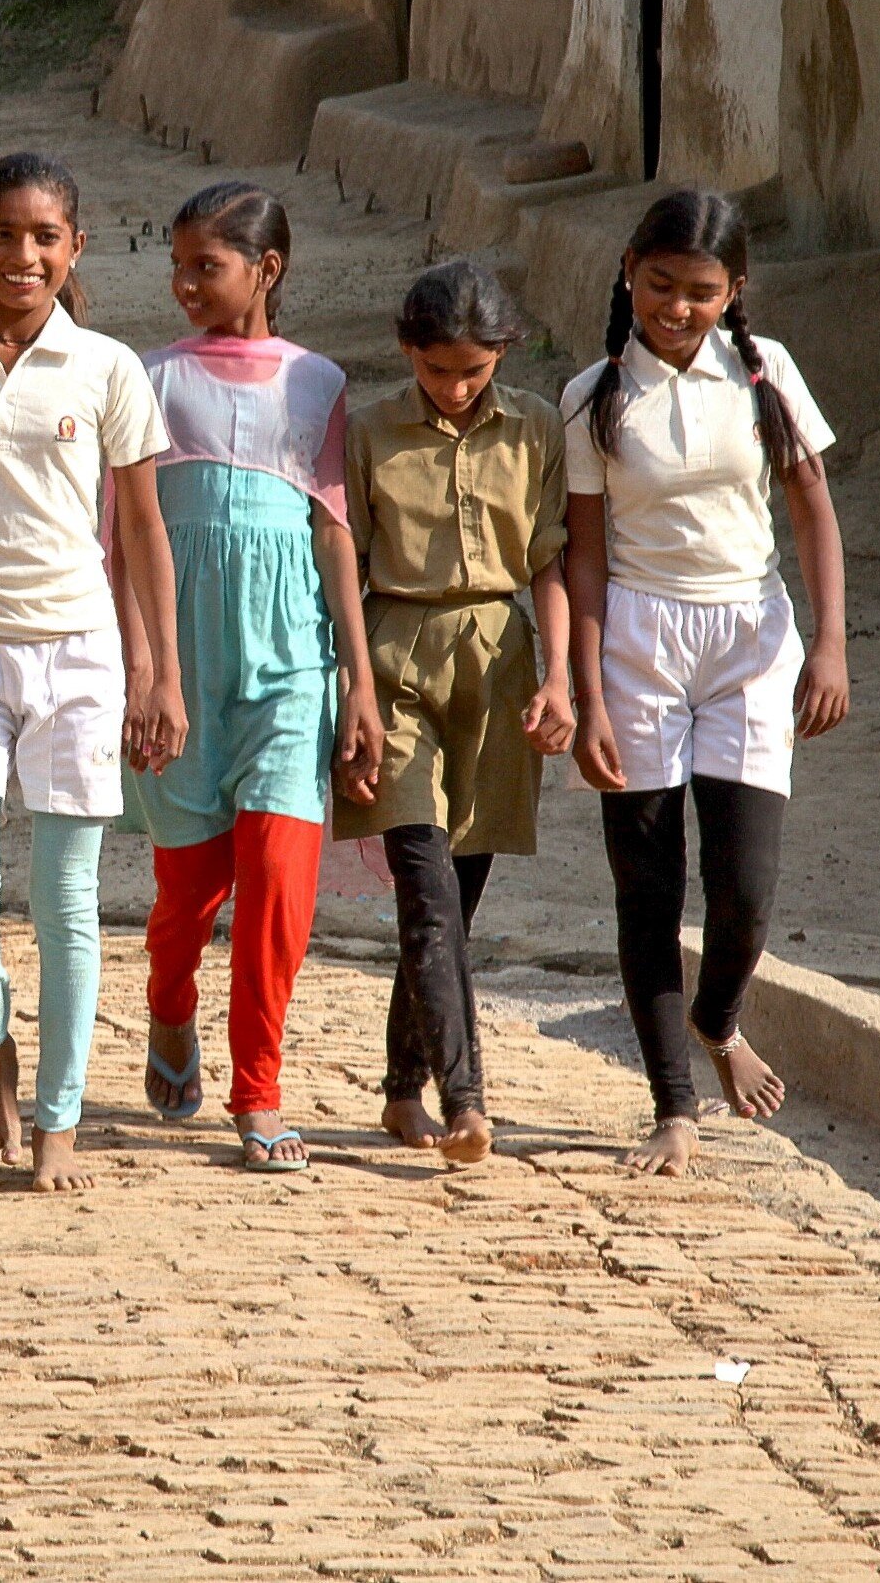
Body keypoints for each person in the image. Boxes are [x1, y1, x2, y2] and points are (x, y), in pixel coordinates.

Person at [0, 150, 187, 1194]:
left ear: (74, 249)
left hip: (78, 655)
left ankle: (58, 1118)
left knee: (66, 900)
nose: (24, 254)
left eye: (44, 236)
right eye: (5, 233)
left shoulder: (107, 368)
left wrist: (158, 674)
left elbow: (143, 529)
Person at [562, 189, 850, 1177]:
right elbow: (585, 560)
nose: (676, 309)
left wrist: (829, 644)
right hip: (636, 638)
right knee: (646, 886)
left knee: (745, 893)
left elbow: (811, 511)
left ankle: (717, 1016)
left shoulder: (767, 380)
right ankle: (672, 1107)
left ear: (734, 291)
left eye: (699, 291)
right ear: (627, 272)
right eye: (658, 286)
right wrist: (588, 690)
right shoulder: (591, 395)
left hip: (750, 638)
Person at [123, 183, 380, 1173]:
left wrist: (355, 680)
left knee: (277, 879)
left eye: (208, 265)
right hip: (182, 663)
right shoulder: (144, 377)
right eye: (177, 266)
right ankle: (168, 1002)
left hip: (290, 660)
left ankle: (258, 1090)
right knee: (184, 894)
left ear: (267, 269)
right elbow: (123, 536)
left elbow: (333, 531)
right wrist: (146, 668)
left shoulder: (317, 383)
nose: (186, 283)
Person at [341, 261, 574, 1167]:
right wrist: (352, 692)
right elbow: (347, 570)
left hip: (499, 669)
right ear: (409, 353)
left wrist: (559, 680)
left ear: (503, 356)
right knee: (425, 891)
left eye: (474, 370)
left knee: (454, 903)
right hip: (395, 661)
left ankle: (402, 1090)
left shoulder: (538, 427)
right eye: (438, 371)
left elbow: (549, 560)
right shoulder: (366, 433)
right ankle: (466, 1101)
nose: (456, 387)